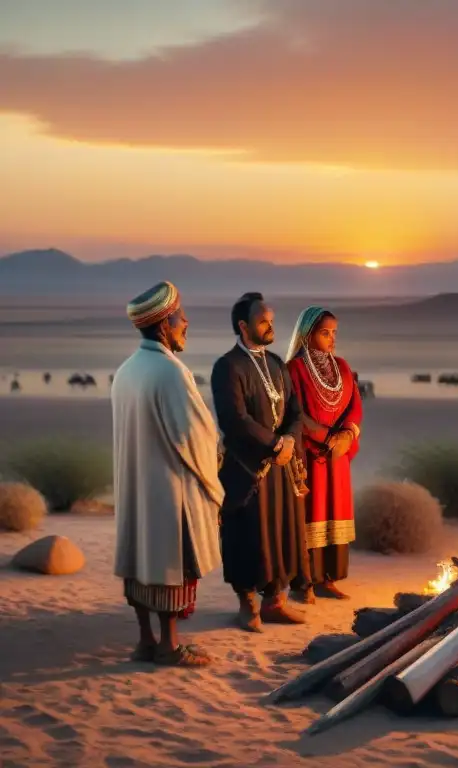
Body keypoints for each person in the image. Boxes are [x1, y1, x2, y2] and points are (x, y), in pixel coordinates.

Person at [112, 281, 223, 667]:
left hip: (134, 486)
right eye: (181, 316)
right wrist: (214, 473)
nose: (186, 322)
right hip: (168, 488)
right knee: (171, 567)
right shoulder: (171, 372)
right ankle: (170, 646)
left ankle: (145, 641)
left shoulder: (127, 370)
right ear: (163, 325)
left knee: (139, 563)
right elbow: (193, 433)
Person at [212, 292, 308, 631]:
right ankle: (246, 604)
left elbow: (295, 411)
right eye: (263, 321)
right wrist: (275, 444)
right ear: (243, 325)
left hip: (281, 466)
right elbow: (234, 420)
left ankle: (274, 602)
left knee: (282, 533)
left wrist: (290, 440)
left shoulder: (277, 364)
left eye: (272, 321)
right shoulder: (227, 366)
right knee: (248, 535)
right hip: (247, 468)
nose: (270, 327)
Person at [283, 306, 363, 603]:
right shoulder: (294, 369)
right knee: (309, 514)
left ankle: (328, 579)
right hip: (309, 455)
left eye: (334, 333)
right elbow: (295, 413)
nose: (332, 339)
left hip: (337, 457)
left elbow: (355, 405)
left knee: (335, 512)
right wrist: (326, 437)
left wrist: (347, 434)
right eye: (325, 333)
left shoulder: (342, 367)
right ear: (307, 334)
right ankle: (302, 583)